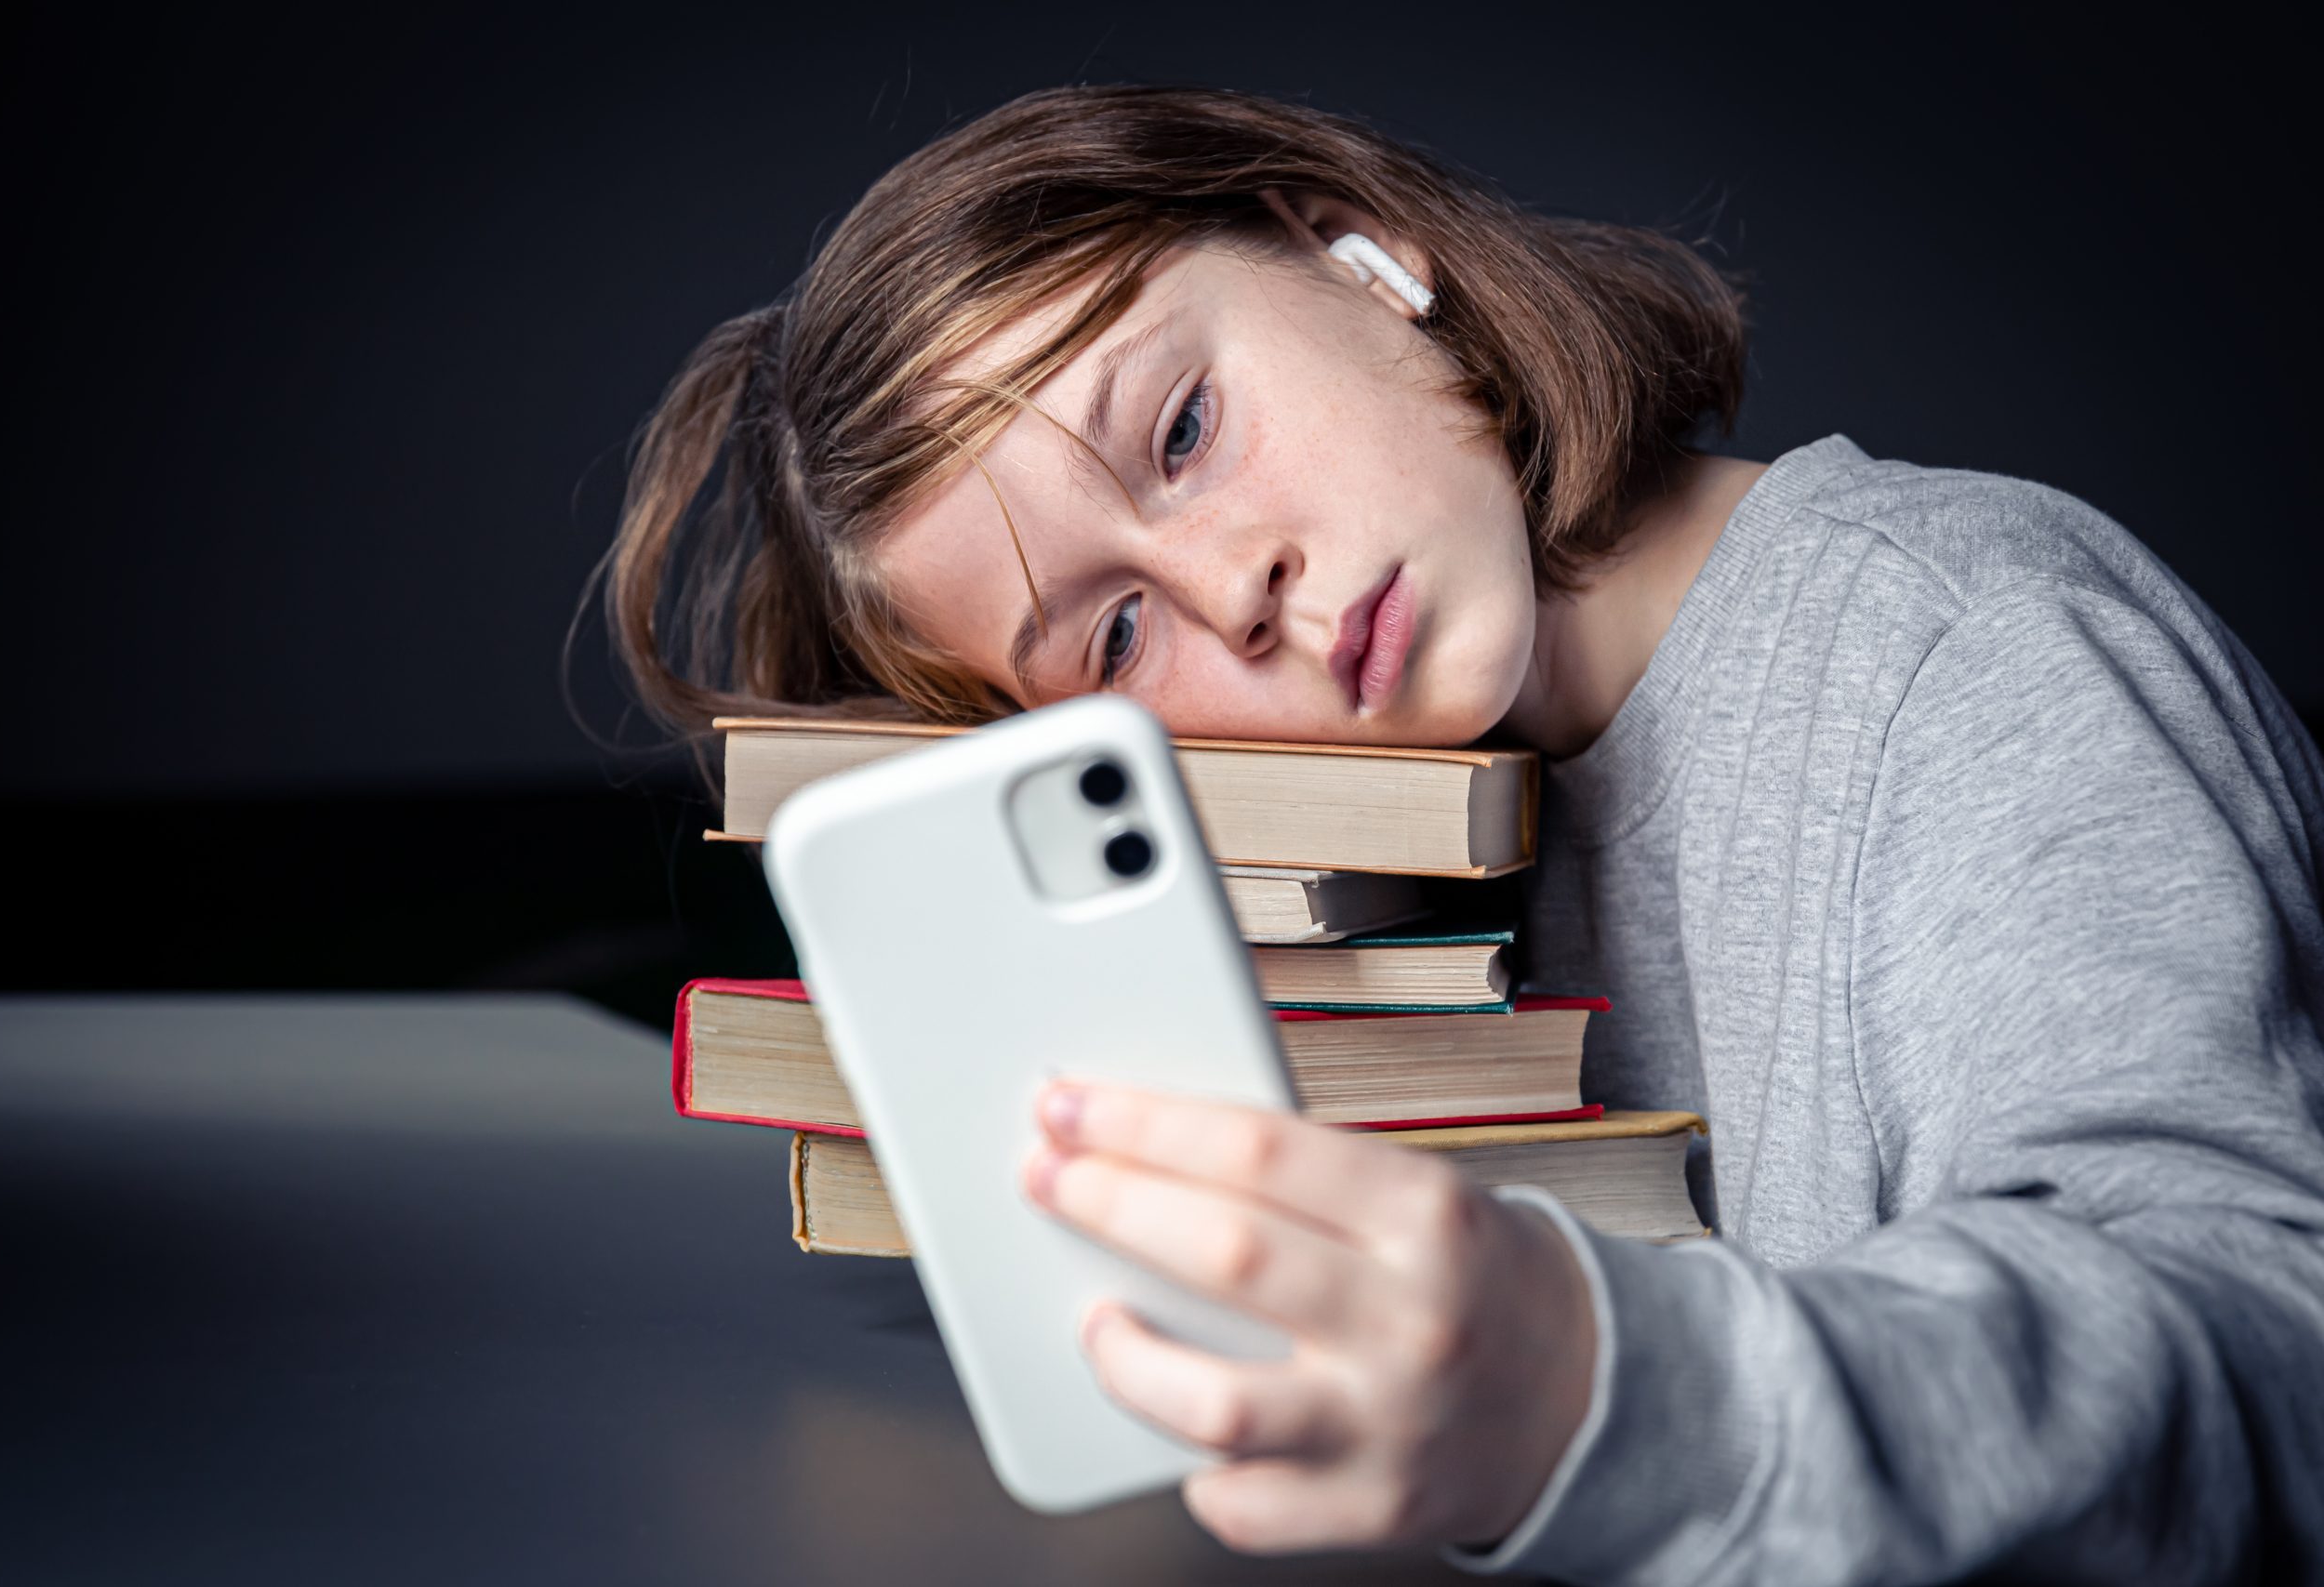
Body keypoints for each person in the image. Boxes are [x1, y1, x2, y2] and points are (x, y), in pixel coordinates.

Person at [599, 85, 2324, 1582]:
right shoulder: (1376, 867)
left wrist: (1591, 1391)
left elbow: (2277, 1370)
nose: (1234, 593)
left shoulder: (1972, 649)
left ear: (1362, 252)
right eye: (1115, 640)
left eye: (1182, 431)